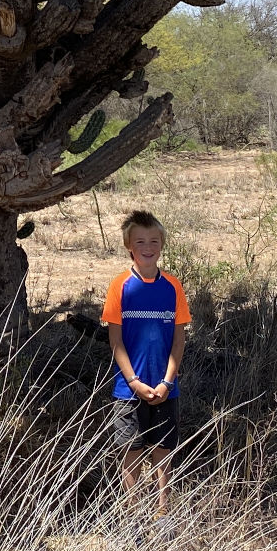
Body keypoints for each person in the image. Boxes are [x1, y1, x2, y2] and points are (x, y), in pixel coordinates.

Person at [101, 209, 190, 518]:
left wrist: (167, 381)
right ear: (129, 246)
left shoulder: (173, 287)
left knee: (163, 450)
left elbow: (178, 340)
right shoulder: (120, 286)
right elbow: (116, 341)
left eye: (153, 240)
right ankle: (131, 514)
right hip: (129, 390)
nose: (147, 247)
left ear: (162, 244)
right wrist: (134, 382)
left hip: (166, 388)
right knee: (131, 450)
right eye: (140, 241)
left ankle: (163, 511)